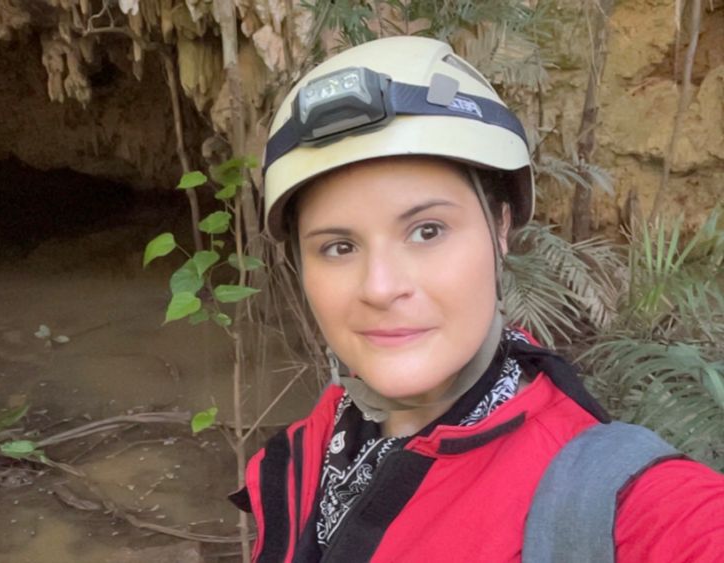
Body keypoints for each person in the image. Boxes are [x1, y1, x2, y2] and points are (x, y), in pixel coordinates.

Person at [230, 36, 724, 562]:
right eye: (339, 246)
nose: (379, 287)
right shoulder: (310, 451)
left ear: (501, 227)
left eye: (427, 231)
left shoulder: (615, 505)